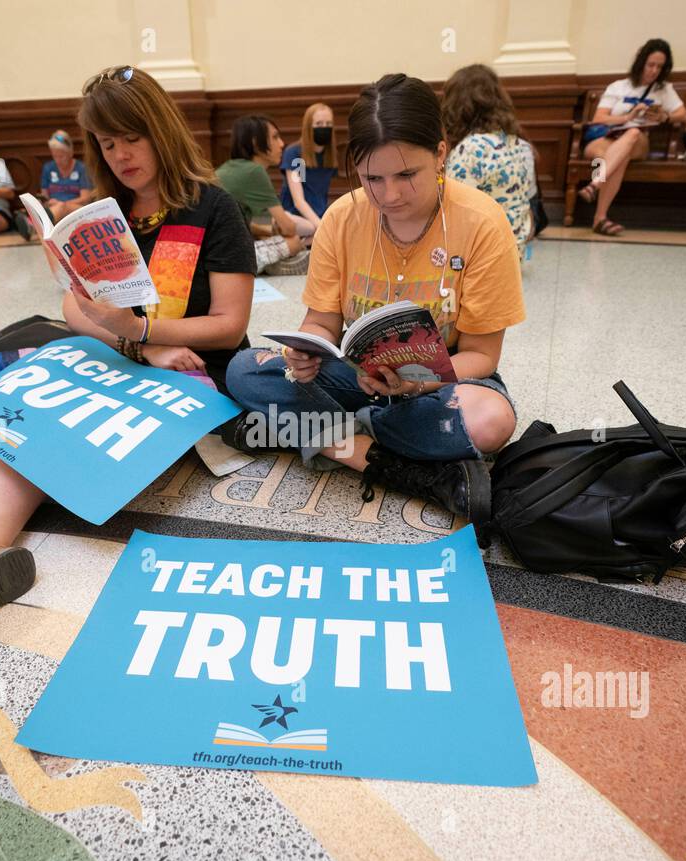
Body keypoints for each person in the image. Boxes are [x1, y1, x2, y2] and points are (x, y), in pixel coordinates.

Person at [0, 66, 255, 662]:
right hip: (131, 355)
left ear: (160, 130)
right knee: (37, 398)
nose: (121, 155)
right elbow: (74, 305)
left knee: (73, 412)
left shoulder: (213, 208)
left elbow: (229, 323)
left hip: (193, 367)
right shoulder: (102, 210)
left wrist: (143, 332)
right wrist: (136, 344)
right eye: (107, 144)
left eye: (130, 138)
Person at [224, 73, 525, 525]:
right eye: (372, 178)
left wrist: (416, 383)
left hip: (443, 385)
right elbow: (322, 321)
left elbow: (482, 354)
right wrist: (303, 349)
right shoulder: (342, 219)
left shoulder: (481, 223)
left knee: (491, 421)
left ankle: (315, 434)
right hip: (356, 377)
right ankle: (391, 458)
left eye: (407, 174)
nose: (391, 194)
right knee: (245, 369)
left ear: (440, 153)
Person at [575, 39, 686, 237]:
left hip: (639, 140)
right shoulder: (618, 87)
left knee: (633, 133)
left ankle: (595, 184)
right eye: (650, 65)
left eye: (659, 67)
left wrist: (664, 117)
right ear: (641, 63)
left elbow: (683, 115)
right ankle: (600, 219)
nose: (654, 71)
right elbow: (599, 118)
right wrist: (629, 117)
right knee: (618, 157)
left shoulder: (664, 90)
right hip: (608, 138)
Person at [443, 63, 539, 256]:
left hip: (485, 256)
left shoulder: (469, 150)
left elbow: (453, 214)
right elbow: (529, 197)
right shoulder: (518, 144)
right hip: (515, 251)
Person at [216, 115, 309, 274]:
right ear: (255, 143)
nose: (281, 144)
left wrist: (270, 230)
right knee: (293, 242)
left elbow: (251, 223)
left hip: (212, 248)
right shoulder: (254, 171)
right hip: (223, 257)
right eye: (275, 137)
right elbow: (289, 228)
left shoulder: (231, 167)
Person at [280, 103, 339, 233]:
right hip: (296, 215)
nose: (324, 128)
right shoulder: (296, 155)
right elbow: (298, 201)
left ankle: (304, 241)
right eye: (318, 124)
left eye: (328, 124)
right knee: (310, 227)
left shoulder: (329, 156)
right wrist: (321, 226)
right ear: (308, 127)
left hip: (318, 214)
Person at [40, 129, 94, 221]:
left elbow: (86, 198)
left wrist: (63, 204)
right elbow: (44, 197)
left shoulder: (81, 168)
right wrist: (50, 203)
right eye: (55, 156)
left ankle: (34, 226)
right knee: (54, 210)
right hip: (54, 208)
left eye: (61, 156)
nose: (57, 160)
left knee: (62, 207)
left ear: (70, 153)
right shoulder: (48, 168)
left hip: (76, 209)